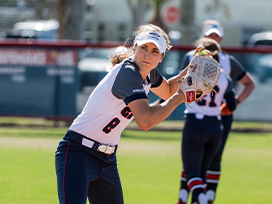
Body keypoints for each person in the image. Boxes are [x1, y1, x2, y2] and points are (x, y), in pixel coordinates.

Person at [55, 23, 192, 204]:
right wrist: (180, 98)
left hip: (107, 159)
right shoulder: (128, 73)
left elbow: (167, 91)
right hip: (78, 153)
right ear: (134, 47)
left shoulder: (149, 74)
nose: (147, 54)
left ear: (161, 58)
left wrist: (192, 68)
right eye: (144, 48)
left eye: (154, 51)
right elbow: (145, 121)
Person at [176, 20, 255, 204]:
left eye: (216, 35)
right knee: (198, 165)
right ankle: (188, 198)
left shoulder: (198, 63)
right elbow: (232, 103)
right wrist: (229, 105)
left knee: (197, 164)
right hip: (214, 122)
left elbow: (176, 87)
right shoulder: (223, 75)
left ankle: (202, 199)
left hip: (198, 119)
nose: (213, 38)